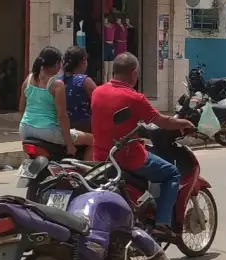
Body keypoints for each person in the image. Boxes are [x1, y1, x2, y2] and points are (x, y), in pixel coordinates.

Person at [91, 53, 193, 239]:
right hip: (129, 158)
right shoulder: (135, 98)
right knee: (172, 173)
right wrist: (185, 123)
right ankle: (162, 224)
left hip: (101, 158)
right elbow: (164, 122)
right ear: (134, 74)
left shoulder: (97, 92)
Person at [18, 46, 92, 157]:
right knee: (93, 140)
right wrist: (69, 144)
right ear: (57, 64)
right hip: (48, 131)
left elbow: (21, 109)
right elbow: (62, 116)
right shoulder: (56, 84)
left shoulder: (28, 79)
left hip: (25, 129)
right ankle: (86, 172)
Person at [59, 45, 96, 133]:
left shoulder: (57, 80)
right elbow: (100, 102)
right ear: (83, 61)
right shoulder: (84, 81)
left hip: (60, 126)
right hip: (83, 126)